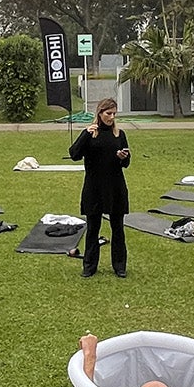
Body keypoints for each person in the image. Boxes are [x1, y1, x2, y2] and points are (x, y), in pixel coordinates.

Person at [69, 97, 131, 278]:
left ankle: (120, 266)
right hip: (94, 188)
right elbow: (74, 154)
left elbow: (126, 163)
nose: (111, 117)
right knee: (93, 228)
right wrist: (85, 134)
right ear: (100, 113)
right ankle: (89, 266)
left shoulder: (119, 134)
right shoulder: (90, 133)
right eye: (108, 113)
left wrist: (123, 157)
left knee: (117, 228)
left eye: (113, 114)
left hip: (115, 187)